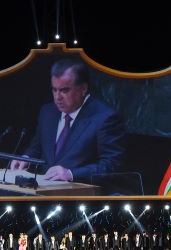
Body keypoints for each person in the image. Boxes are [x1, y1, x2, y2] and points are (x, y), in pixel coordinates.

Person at [10, 58, 126, 186]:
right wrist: (26, 158)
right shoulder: (47, 112)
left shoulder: (105, 118)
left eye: (64, 90)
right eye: (54, 90)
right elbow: (37, 147)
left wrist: (71, 174)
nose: (57, 97)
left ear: (83, 89)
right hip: (43, 189)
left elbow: (112, 165)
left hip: (82, 192)